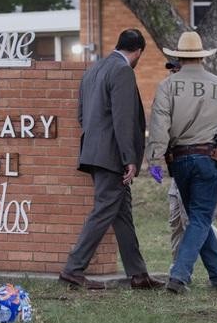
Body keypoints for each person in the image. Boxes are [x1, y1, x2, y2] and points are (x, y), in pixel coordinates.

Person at [59, 29, 164, 291]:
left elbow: (82, 116)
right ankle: (73, 269)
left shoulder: (93, 70)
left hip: (94, 152)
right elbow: (123, 118)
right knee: (104, 210)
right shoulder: (122, 70)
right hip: (112, 156)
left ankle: (138, 274)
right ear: (138, 51)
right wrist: (129, 158)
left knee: (122, 213)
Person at [146, 31, 217, 294]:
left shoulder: (167, 86)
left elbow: (159, 127)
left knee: (197, 217)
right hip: (209, 158)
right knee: (200, 217)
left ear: (178, 57)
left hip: (179, 160)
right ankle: (179, 276)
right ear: (202, 57)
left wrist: (154, 160)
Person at [161, 58, 217, 285]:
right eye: (172, 69)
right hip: (182, 160)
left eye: (177, 68)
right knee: (183, 218)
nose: (174, 72)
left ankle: (184, 272)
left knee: (195, 218)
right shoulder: (175, 89)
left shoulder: (209, 88)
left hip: (196, 159)